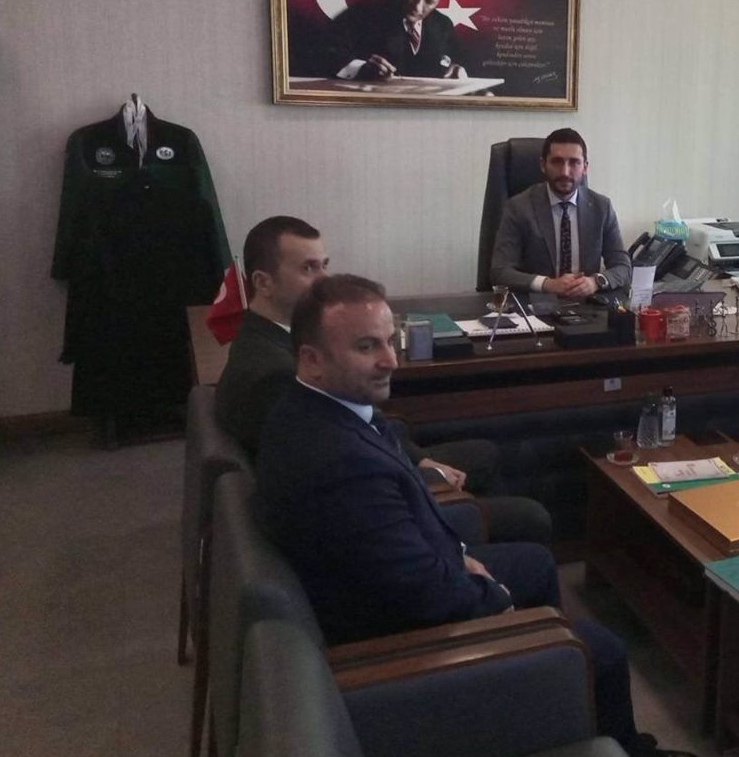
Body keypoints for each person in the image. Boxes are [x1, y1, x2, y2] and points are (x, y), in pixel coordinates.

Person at [254, 275, 701, 757]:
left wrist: (459, 554)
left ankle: (551, 703)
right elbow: (419, 596)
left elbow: (395, 550)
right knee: (601, 648)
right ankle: (616, 743)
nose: (390, 360)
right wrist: (494, 598)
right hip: (397, 640)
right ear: (312, 360)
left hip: (403, 581)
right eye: (366, 347)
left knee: (536, 561)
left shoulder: (316, 410)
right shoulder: (339, 464)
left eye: (389, 341)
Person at [214, 215, 551, 544]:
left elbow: (359, 424)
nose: (323, 280)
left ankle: (481, 544)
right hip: (366, 507)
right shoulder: (274, 375)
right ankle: (474, 550)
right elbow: (341, 464)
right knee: (530, 516)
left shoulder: (271, 339)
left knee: (485, 452)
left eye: (324, 265)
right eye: (308, 268)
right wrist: (424, 473)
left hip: (371, 466)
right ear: (263, 283)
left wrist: (421, 460)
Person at [489, 128, 631, 298]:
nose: (565, 172)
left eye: (574, 162)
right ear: (543, 165)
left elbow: (623, 267)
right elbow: (500, 272)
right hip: (536, 305)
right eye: (557, 162)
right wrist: (547, 284)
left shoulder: (601, 207)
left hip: (586, 305)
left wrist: (596, 281)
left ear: (585, 167)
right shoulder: (518, 207)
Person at [327, 0, 471, 80]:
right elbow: (327, 52)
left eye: (429, 1)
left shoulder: (443, 25)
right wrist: (360, 69)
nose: (418, 7)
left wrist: (458, 69)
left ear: (438, 0)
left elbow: (464, 61)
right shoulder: (362, 13)